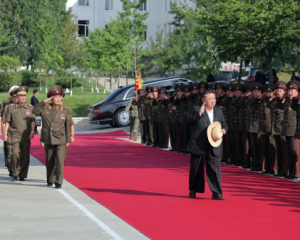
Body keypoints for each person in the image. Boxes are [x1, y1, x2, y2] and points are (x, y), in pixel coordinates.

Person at [187, 89, 228, 200]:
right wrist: (199, 113)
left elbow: (224, 124)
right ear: (203, 100)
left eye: (214, 98)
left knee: (215, 168)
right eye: (209, 99)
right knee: (196, 168)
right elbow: (188, 121)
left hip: (214, 143)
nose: (212, 101)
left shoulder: (219, 111)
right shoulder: (195, 109)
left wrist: (224, 130)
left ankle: (216, 192)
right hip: (199, 143)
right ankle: (193, 190)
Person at [32, 85, 72, 189]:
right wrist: (44, 101)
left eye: (60, 97)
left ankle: (58, 182)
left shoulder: (65, 110)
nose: (58, 99)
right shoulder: (45, 108)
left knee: (60, 161)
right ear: (51, 98)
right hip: (48, 139)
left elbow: (67, 125)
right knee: (50, 162)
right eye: (56, 97)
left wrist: (68, 139)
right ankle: (50, 180)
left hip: (61, 139)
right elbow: (34, 111)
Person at [3, 86, 35, 181]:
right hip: (14, 135)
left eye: (24, 96)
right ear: (17, 97)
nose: (23, 98)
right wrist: (4, 134)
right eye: (21, 96)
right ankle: (15, 172)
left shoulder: (30, 107)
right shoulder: (11, 108)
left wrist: (32, 131)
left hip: (25, 135)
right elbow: (7, 122)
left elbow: (33, 120)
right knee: (14, 154)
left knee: (25, 155)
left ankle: (22, 174)